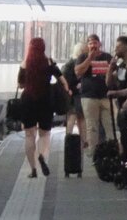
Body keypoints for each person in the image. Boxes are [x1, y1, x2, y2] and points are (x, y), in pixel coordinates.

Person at [18, 37, 68, 178]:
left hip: (28, 100)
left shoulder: (25, 63)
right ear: (43, 48)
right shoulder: (49, 62)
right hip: (46, 100)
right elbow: (62, 80)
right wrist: (66, 92)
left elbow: (20, 84)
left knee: (29, 135)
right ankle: (41, 155)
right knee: (44, 134)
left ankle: (33, 170)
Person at [74, 34, 116, 152]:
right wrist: (89, 58)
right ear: (87, 46)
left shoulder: (107, 56)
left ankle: (112, 152)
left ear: (99, 44)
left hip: (105, 96)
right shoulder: (83, 57)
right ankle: (93, 153)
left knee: (109, 125)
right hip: (89, 97)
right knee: (92, 127)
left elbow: (114, 74)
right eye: (90, 43)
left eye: (95, 42)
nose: (93, 45)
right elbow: (78, 72)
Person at [62, 40, 87, 137]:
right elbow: (67, 81)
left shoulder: (69, 64)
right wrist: (77, 86)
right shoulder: (72, 64)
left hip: (74, 96)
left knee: (73, 119)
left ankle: (69, 140)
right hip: (74, 97)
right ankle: (82, 141)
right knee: (77, 119)